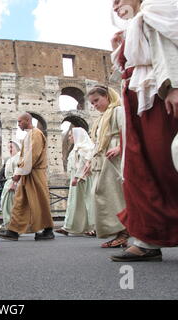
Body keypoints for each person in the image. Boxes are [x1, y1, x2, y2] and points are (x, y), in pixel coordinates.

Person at [109, 0, 178, 262]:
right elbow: (131, 67)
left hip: (157, 96)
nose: (115, 7)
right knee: (140, 169)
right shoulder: (136, 25)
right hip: (139, 100)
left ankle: (153, 235)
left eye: (119, 0)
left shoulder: (152, 14)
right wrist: (120, 47)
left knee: (163, 165)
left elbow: (166, 50)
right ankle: (148, 237)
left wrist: (172, 86)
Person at [0, 113, 55, 241]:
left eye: (20, 122)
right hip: (28, 173)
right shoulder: (30, 135)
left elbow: (31, 156)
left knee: (40, 201)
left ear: (28, 120)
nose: (18, 124)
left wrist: (18, 173)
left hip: (34, 173)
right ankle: (13, 231)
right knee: (20, 201)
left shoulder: (36, 134)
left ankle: (48, 230)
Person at [84, 85, 128, 248]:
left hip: (114, 154)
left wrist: (121, 146)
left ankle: (123, 231)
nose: (95, 105)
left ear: (107, 96)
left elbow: (127, 129)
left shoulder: (117, 110)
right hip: (103, 157)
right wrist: (89, 161)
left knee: (111, 193)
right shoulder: (101, 118)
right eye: (92, 103)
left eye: (97, 101)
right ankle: (118, 231)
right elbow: (96, 142)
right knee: (102, 192)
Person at [55, 128, 95, 236]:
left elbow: (83, 165)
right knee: (75, 203)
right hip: (77, 178)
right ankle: (69, 226)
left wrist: (76, 178)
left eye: (70, 135)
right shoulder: (76, 149)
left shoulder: (85, 149)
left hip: (82, 179)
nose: (69, 138)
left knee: (87, 201)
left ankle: (92, 227)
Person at [0, 141, 21, 229]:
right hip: (8, 182)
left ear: (17, 147)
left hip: (13, 182)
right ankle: (8, 225)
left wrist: (14, 184)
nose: (10, 149)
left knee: (11, 206)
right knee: (6, 205)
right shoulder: (11, 158)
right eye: (9, 148)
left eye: (11, 147)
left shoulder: (18, 157)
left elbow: (19, 171)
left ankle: (12, 226)